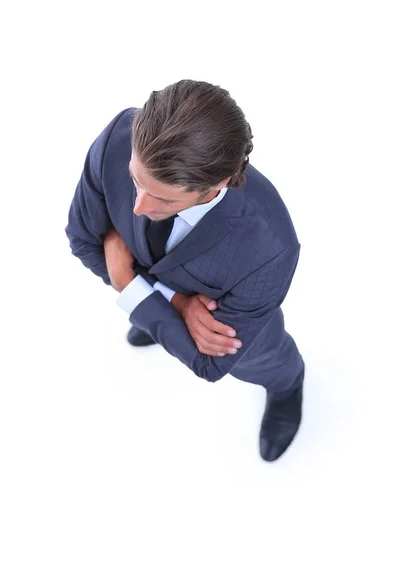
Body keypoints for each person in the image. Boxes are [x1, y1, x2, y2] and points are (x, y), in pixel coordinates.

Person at [65, 79, 305, 462]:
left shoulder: (269, 248)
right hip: (172, 292)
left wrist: (128, 282)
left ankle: (288, 387)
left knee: (267, 362)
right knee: (156, 318)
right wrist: (174, 302)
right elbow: (82, 241)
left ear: (215, 186)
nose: (138, 207)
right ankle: (158, 322)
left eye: (161, 197)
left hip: (238, 325)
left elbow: (211, 363)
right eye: (134, 181)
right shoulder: (118, 137)